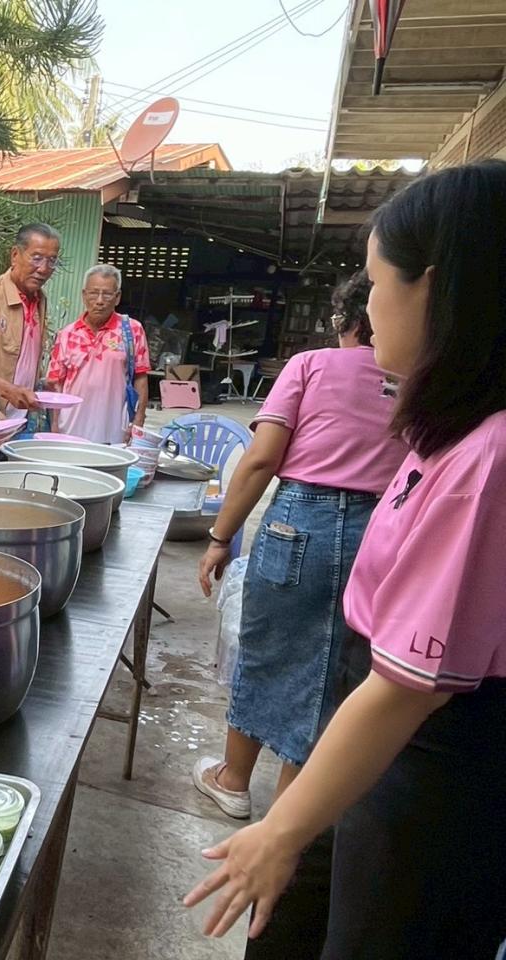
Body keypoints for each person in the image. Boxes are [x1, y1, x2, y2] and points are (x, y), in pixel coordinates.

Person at [185, 160, 506, 960]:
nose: (367, 309)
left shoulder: (489, 457)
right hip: (375, 744)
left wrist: (280, 831)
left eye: (376, 283)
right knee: (294, 920)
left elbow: (410, 687)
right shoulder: (449, 430)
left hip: (432, 768)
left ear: (434, 290)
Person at [191, 269, 407, 822]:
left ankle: (233, 780)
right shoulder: (417, 382)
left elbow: (261, 458)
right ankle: (289, 813)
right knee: (337, 669)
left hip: (300, 522)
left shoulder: (310, 364)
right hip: (379, 531)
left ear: (347, 320)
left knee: (268, 648)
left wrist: (219, 537)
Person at [45, 264, 151, 444]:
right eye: (94, 293)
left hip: (113, 430)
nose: (100, 301)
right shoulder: (67, 334)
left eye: (107, 294)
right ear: (84, 295)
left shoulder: (132, 330)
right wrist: (54, 425)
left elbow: (140, 378)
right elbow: (56, 384)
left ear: (117, 297)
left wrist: (138, 421)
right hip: (70, 429)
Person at [0, 224, 61, 414]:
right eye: (37, 258)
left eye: (51, 261)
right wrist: (8, 391)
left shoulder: (40, 300)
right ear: (15, 255)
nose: (43, 269)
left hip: (23, 417)